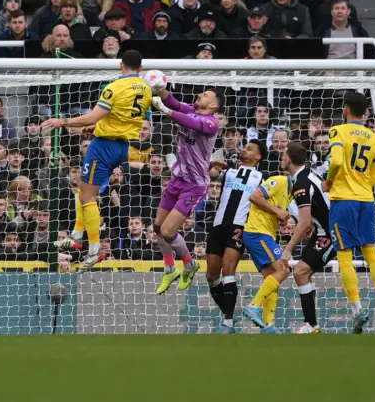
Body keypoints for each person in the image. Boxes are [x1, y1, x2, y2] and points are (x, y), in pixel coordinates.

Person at [41, 50, 153, 271]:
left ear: (121, 65)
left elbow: (93, 115)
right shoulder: (146, 88)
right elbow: (120, 118)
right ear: (140, 68)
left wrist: (61, 122)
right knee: (84, 189)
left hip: (104, 146)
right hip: (123, 147)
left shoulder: (114, 87)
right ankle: (75, 235)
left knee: (87, 197)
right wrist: (96, 127)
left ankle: (92, 249)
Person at [321, 92, 375, 334]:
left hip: (344, 200)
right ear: (365, 113)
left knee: (344, 257)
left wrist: (329, 182)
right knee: (372, 253)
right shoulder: (374, 138)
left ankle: (357, 309)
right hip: (366, 201)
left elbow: (338, 162)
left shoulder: (338, 131)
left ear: (346, 110)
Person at [149, 85, 223, 293]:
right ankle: (170, 268)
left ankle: (190, 265)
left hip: (195, 185)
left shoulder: (211, 123)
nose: (200, 95)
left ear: (214, 105)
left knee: (167, 231)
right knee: (157, 228)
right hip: (178, 178)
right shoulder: (190, 109)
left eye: (206, 95)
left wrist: (164, 110)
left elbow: (185, 120)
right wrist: (160, 89)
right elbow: (172, 102)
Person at [205, 140, 266, 334]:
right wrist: (212, 164)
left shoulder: (262, 177)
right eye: (244, 147)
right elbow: (206, 172)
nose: (244, 150)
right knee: (211, 275)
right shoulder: (228, 172)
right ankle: (229, 314)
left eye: (250, 149)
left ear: (258, 157)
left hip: (239, 226)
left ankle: (228, 322)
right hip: (218, 225)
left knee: (228, 269)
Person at [279, 142, 335, 334]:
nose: (281, 159)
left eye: (282, 156)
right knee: (304, 273)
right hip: (323, 230)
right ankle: (311, 324)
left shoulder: (300, 184)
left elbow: (303, 223)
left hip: (330, 234)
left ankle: (311, 324)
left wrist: (287, 251)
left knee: (300, 272)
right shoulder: (308, 174)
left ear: (287, 159)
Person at [241, 159, 295, 334]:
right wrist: (277, 211)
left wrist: (280, 217)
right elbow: (254, 197)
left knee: (272, 277)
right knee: (284, 269)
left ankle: (268, 325)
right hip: (257, 232)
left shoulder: (291, 194)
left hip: (264, 233)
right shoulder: (279, 180)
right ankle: (253, 306)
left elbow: (273, 209)